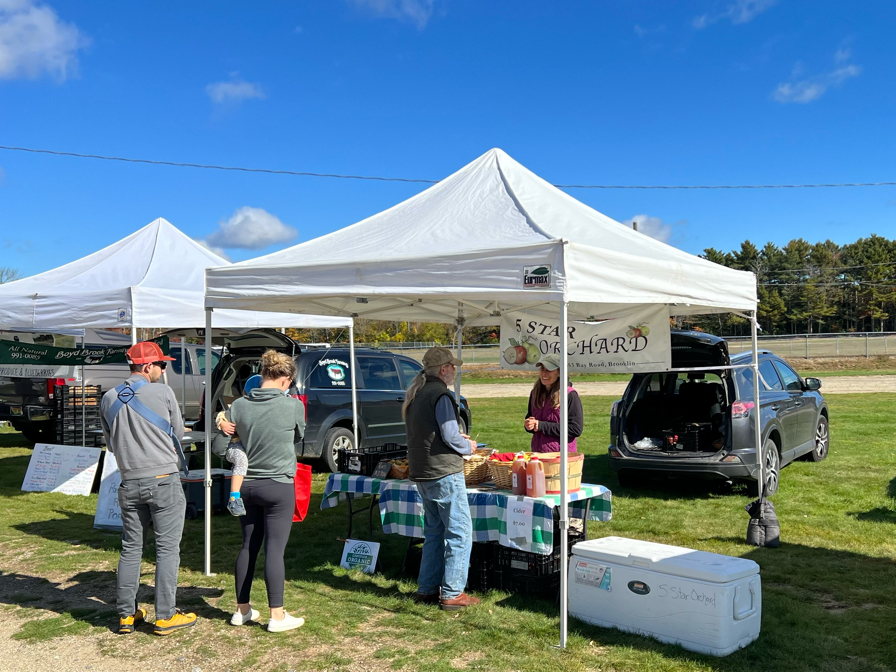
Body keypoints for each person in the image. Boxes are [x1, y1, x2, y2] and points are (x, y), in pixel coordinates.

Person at [100, 341, 196, 636]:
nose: (163, 370)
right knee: (167, 549)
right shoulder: (163, 392)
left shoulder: (108, 397)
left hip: (129, 480)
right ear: (147, 366)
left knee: (131, 549)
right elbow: (177, 433)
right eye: (161, 365)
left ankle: (126, 615)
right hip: (163, 479)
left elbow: (111, 444)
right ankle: (165, 616)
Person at [214, 350, 306, 633]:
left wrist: (221, 422)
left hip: (245, 486)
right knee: (274, 550)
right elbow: (299, 436)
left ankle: (242, 610)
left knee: (248, 546)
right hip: (278, 484)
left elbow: (219, 447)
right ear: (285, 379)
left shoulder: (239, 406)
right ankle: (276, 615)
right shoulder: (293, 406)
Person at [403, 347, 479, 611]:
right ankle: (452, 592)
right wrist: (468, 446)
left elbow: (435, 432)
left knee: (434, 532)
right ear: (444, 369)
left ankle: (427, 588)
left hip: (423, 471)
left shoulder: (417, 393)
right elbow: (449, 434)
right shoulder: (440, 395)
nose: (454, 371)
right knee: (460, 531)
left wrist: (457, 440)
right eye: (452, 366)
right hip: (443, 471)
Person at [216, 374, 263, 516]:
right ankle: (234, 498)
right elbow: (221, 415)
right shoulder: (238, 406)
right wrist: (222, 423)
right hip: (234, 444)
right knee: (242, 461)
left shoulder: (261, 409)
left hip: (248, 444)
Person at [524, 353, 583, 453]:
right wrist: (529, 425)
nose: (544, 373)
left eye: (549, 370)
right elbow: (530, 417)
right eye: (542, 369)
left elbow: (575, 429)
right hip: (538, 454)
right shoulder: (535, 393)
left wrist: (541, 425)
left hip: (561, 456)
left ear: (560, 372)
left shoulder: (570, 395)